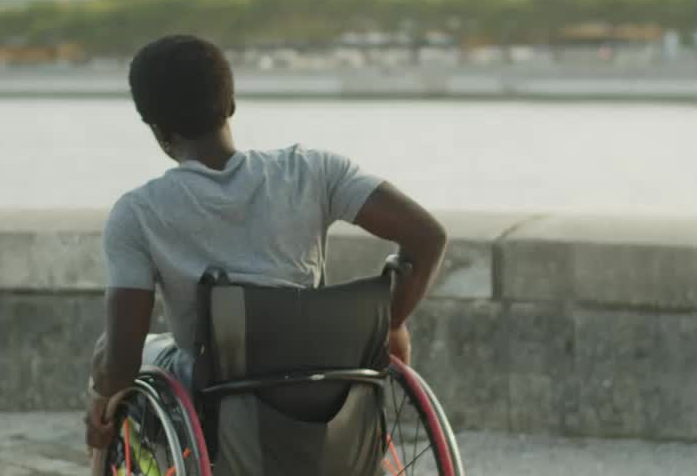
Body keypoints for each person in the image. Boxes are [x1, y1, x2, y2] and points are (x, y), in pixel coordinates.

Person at [87, 34, 448, 450]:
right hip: (323, 389)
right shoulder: (315, 171)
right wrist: (391, 325)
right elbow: (428, 237)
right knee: (377, 325)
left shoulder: (137, 214)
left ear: (155, 127)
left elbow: (121, 364)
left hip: (217, 411)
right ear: (231, 104)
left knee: (117, 355)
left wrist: (100, 395)